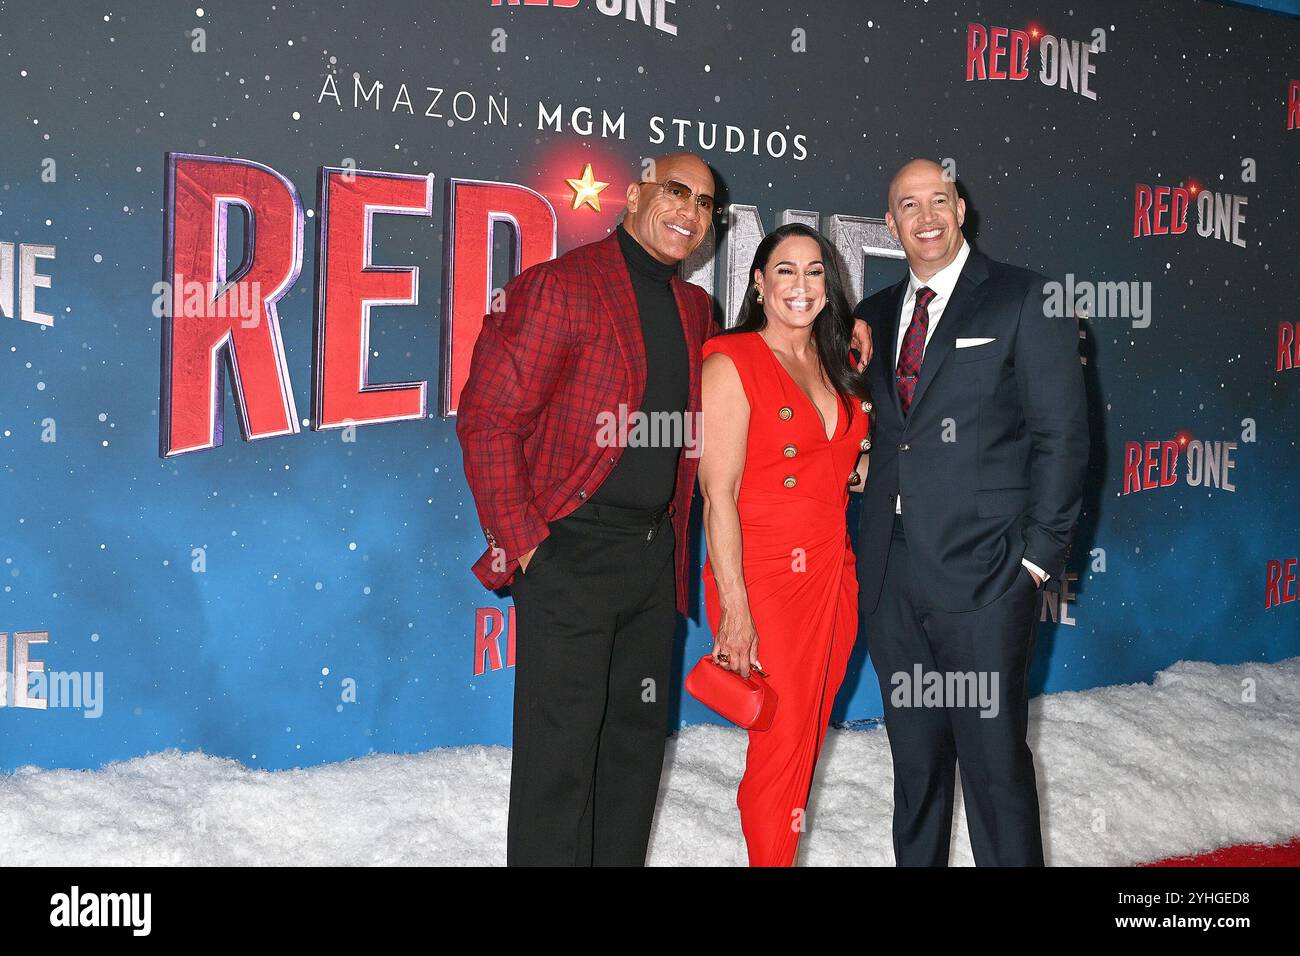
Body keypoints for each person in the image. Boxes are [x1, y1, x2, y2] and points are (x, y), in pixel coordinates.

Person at [457, 153, 719, 866]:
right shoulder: (558, 287)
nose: (689, 211)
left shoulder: (696, 309)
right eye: (676, 191)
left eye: (703, 202)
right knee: (559, 763)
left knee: (633, 755)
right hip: (569, 553)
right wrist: (528, 542)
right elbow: (486, 420)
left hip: (651, 557)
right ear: (634, 196)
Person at [851, 158, 1088, 866]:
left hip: (988, 578)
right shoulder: (871, 315)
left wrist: (1038, 560)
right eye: (908, 205)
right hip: (890, 572)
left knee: (994, 772)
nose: (926, 217)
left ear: (962, 208)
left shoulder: (1026, 297)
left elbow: (1063, 438)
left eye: (939, 200)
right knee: (915, 772)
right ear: (889, 224)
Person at [698, 223, 873, 866]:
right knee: (780, 738)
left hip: (833, 569)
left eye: (816, 271)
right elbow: (718, 495)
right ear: (758, 281)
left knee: (804, 733)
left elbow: (841, 462)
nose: (801, 285)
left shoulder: (836, 363)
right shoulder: (731, 361)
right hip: (764, 574)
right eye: (786, 270)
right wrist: (736, 610)